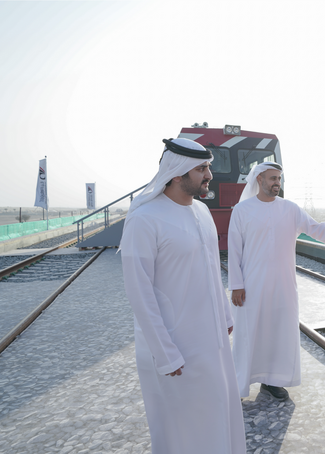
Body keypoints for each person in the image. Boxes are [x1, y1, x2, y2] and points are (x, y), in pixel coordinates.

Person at [120, 138, 246, 454]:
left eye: (208, 167)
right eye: (202, 169)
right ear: (177, 173)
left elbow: (209, 268)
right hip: (177, 345)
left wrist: (226, 317)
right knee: (183, 428)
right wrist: (165, 352)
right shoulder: (144, 218)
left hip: (211, 341)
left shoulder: (202, 211)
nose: (209, 175)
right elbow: (139, 291)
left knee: (216, 414)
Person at [228, 162, 325, 401]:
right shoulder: (242, 210)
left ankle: (272, 381)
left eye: (279, 179)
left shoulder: (290, 209)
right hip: (252, 286)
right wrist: (236, 284)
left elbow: (317, 229)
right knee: (249, 333)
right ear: (259, 179)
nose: (277, 183)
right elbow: (234, 251)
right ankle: (240, 384)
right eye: (273, 178)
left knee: (278, 332)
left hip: (283, 286)